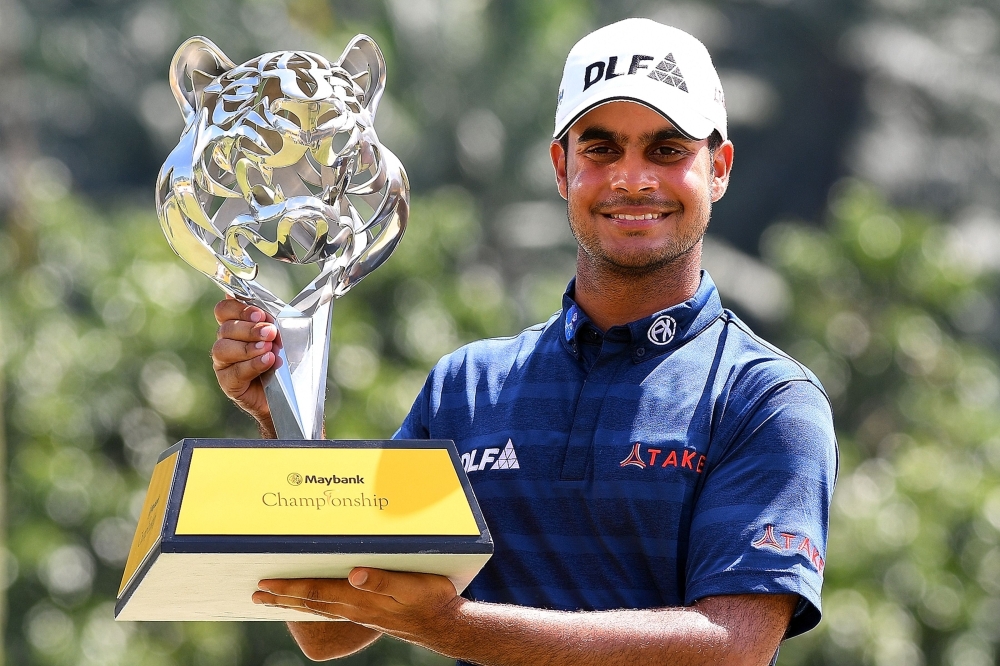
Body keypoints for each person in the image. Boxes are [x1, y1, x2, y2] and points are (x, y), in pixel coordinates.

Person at [211, 18, 837, 666]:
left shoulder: (766, 399)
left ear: (719, 169)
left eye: (666, 150)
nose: (632, 179)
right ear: (562, 168)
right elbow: (328, 627)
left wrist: (454, 628)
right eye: (601, 150)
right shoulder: (467, 388)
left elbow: (730, 651)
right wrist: (278, 409)